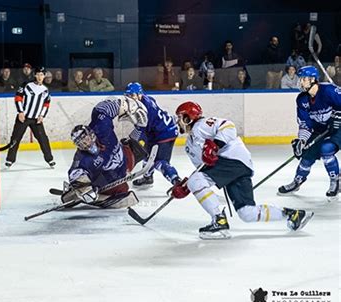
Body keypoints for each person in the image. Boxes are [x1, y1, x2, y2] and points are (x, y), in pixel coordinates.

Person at [171, 101, 314, 239]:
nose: (178, 122)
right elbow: (203, 168)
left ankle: (219, 220)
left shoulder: (201, 125)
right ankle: (293, 215)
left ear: (188, 117)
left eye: (180, 117)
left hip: (233, 160)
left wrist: (216, 145)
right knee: (247, 213)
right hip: (233, 167)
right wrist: (186, 186)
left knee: (195, 181)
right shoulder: (189, 146)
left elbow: (228, 126)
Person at [278, 66, 341, 201]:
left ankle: (336, 180)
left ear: (313, 79)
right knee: (306, 156)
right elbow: (305, 124)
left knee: (326, 149)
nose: (300, 82)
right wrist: (301, 141)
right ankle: (297, 181)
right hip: (320, 130)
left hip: (339, 128)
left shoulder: (329, 90)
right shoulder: (302, 100)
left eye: (303, 79)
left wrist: (338, 117)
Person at [60, 125, 139, 209]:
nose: (85, 144)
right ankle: (80, 195)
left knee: (131, 147)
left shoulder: (103, 136)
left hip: (120, 166)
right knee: (122, 189)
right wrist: (85, 189)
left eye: (86, 139)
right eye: (81, 143)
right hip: (102, 182)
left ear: (91, 134)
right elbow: (74, 173)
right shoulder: (81, 159)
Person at [123, 82, 181, 188]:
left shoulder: (143, 109)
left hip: (165, 134)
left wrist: (129, 140)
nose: (129, 98)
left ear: (139, 94)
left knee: (159, 162)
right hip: (158, 132)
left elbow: (141, 129)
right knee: (147, 153)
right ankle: (148, 177)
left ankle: (176, 180)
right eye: (127, 95)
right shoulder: (146, 98)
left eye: (132, 95)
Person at [5, 66, 55, 168]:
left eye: (42, 74)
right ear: (35, 75)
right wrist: (20, 112)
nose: (40, 77)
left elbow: (46, 103)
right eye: (38, 74)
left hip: (36, 119)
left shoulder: (45, 90)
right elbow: (18, 97)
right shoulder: (27, 85)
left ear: (44, 76)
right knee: (15, 138)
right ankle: (10, 159)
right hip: (23, 118)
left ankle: (49, 159)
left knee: (43, 139)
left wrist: (42, 116)